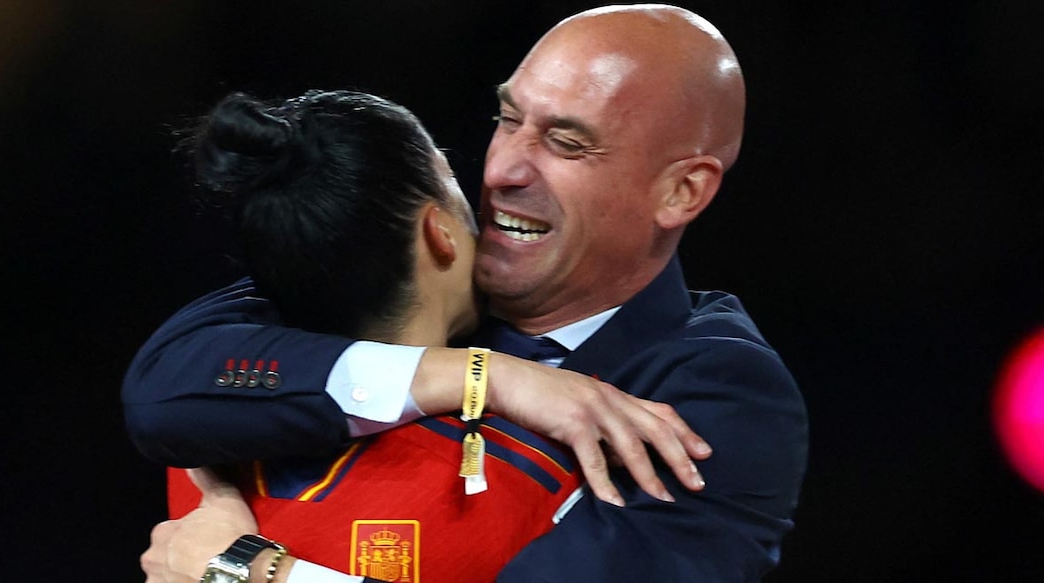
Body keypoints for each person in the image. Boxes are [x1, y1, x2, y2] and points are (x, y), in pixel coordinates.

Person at [125, 4, 808, 582]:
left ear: (679, 190)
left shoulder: (718, 395)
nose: (504, 168)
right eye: (508, 119)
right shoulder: (419, 267)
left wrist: (250, 570)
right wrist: (483, 375)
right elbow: (163, 387)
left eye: (565, 143)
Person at [157, 87, 626, 582]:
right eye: (451, 182)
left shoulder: (199, 445)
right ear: (437, 233)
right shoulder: (543, 470)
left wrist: (236, 571)